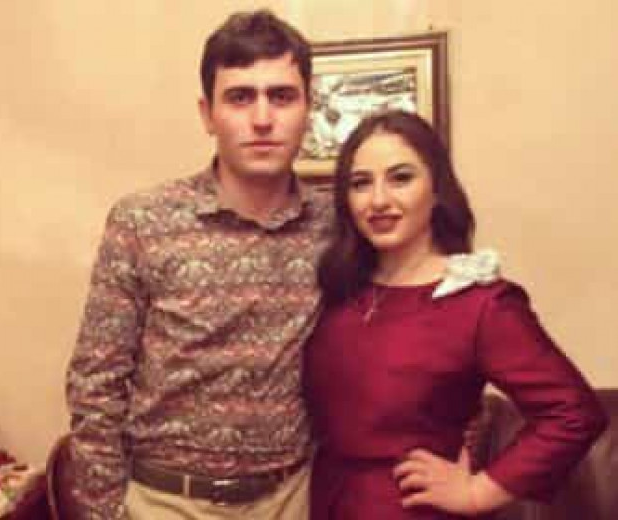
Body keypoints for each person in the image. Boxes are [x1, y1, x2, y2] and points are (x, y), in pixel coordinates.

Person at [66, 9, 331, 520]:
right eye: (240, 97)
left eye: (281, 96)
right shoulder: (142, 221)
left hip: (292, 500)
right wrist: (104, 511)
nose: (262, 118)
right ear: (208, 114)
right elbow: (96, 382)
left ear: (308, 108)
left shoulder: (337, 225)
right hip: (166, 503)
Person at [304, 109, 608, 519]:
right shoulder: (339, 289)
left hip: (408, 509)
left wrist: (479, 492)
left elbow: (573, 412)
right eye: (360, 183)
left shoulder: (478, 303)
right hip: (323, 501)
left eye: (400, 178)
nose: (378, 200)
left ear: (436, 189)